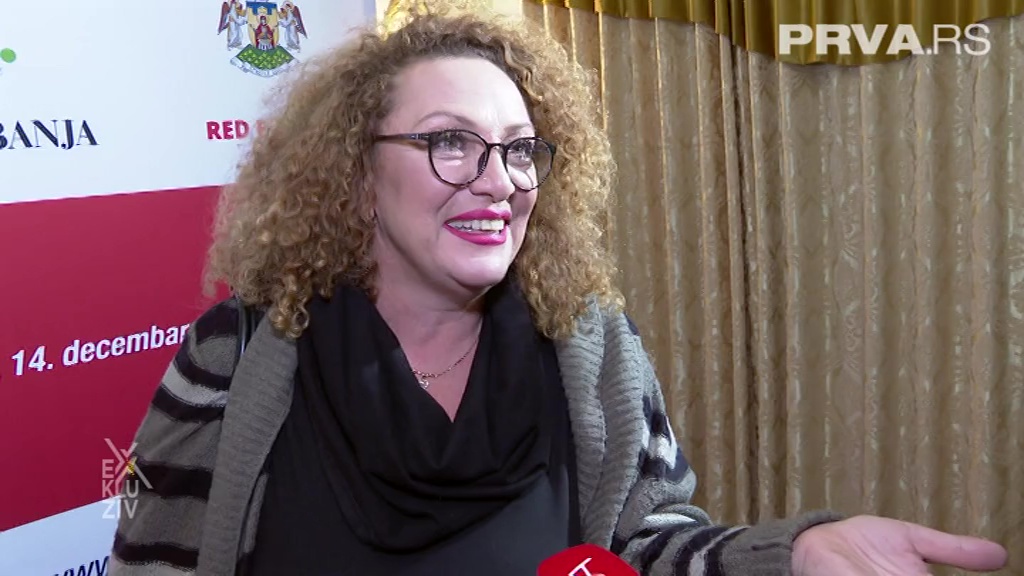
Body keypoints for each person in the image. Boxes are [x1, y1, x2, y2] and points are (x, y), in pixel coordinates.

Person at [109, 3, 1008, 575]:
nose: (499, 181)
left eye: (519, 149)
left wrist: (794, 551)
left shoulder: (591, 345)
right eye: (449, 142)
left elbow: (649, 543)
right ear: (354, 174)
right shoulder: (240, 352)